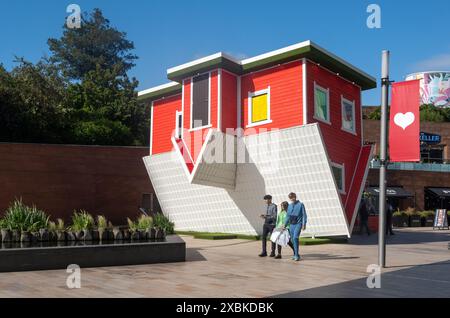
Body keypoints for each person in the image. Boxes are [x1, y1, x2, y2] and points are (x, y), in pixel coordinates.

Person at [283, 192, 307, 261]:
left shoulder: (301, 204)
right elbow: (288, 216)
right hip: (291, 225)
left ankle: (296, 255)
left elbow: (304, 215)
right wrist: (284, 224)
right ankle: (296, 254)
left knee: (295, 237)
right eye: (290, 197)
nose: (292, 198)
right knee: (292, 240)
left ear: (295, 197)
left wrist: (304, 224)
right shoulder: (290, 206)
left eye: (293, 197)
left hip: (298, 224)